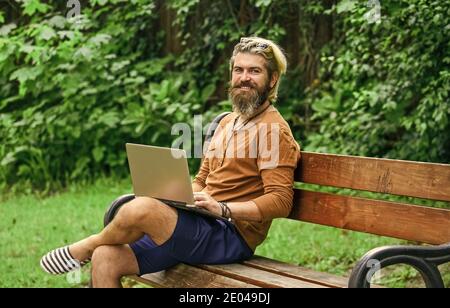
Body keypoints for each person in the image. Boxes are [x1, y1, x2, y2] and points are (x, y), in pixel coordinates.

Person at [40, 37, 301, 288]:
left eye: (254, 71)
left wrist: (223, 208)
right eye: (239, 70)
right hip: (200, 222)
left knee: (140, 208)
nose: (244, 77)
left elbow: (280, 201)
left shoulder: (273, 131)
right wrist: (176, 196)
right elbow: (202, 180)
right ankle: (94, 250)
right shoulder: (227, 122)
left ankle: (84, 247)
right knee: (105, 258)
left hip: (230, 235)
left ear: (272, 79)